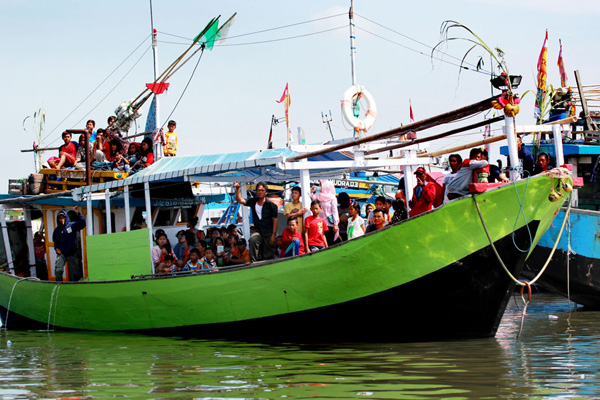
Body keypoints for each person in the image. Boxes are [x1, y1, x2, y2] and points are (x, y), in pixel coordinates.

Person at [234, 181, 278, 262]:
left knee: (268, 255)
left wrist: (273, 234)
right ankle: (253, 262)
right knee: (252, 240)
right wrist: (238, 189)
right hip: (258, 231)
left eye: (262, 190)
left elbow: (275, 220)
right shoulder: (253, 202)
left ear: (266, 192)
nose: (260, 192)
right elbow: (240, 200)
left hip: (268, 232)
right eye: (258, 190)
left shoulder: (272, 205)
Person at [52, 207, 86, 281]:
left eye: (63, 218)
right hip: (62, 254)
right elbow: (56, 242)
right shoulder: (56, 231)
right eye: (60, 218)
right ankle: (59, 285)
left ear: (66, 218)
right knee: (58, 270)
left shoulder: (72, 225)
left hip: (72, 253)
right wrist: (56, 248)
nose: (61, 220)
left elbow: (82, 224)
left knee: (75, 273)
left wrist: (78, 213)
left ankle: (76, 287)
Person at [311, 180, 340, 245]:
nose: (320, 187)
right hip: (320, 223)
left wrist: (336, 224)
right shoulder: (317, 196)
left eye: (321, 185)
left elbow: (334, 211)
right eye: (320, 185)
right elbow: (311, 198)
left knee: (329, 242)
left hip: (329, 224)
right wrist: (312, 191)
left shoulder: (332, 198)